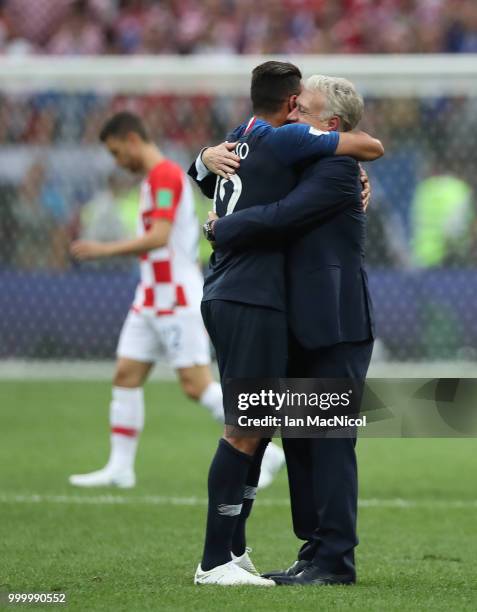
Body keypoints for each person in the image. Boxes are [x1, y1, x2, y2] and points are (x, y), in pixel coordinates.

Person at [189, 61, 383, 586]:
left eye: (306, 109)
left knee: (331, 442)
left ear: (332, 126)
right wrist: (205, 158)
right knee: (298, 440)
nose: (294, 112)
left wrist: (221, 227)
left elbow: (283, 216)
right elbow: (243, 153)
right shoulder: (295, 152)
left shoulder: (340, 170)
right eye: (294, 105)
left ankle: (335, 560)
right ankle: (314, 549)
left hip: (335, 324)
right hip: (295, 322)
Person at [68, 111, 286, 490]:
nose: (119, 162)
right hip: (149, 296)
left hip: (174, 297)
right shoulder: (153, 179)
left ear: (133, 140)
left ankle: (267, 450)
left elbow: (159, 236)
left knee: (196, 384)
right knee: (126, 375)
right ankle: (120, 467)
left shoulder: (167, 174)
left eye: (118, 152)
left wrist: (100, 249)